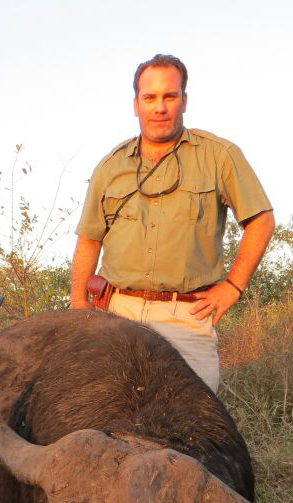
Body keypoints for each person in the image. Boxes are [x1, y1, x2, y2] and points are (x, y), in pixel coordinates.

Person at [71, 54, 275, 391]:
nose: (160, 107)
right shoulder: (110, 166)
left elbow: (261, 220)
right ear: (136, 104)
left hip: (186, 317)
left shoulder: (219, 155)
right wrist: (79, 309)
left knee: (192, 432)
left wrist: (233, 286)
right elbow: (90, 239)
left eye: (170, 96)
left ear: (184, 101)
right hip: (115, 315)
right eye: (150, 97)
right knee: (103, 424)